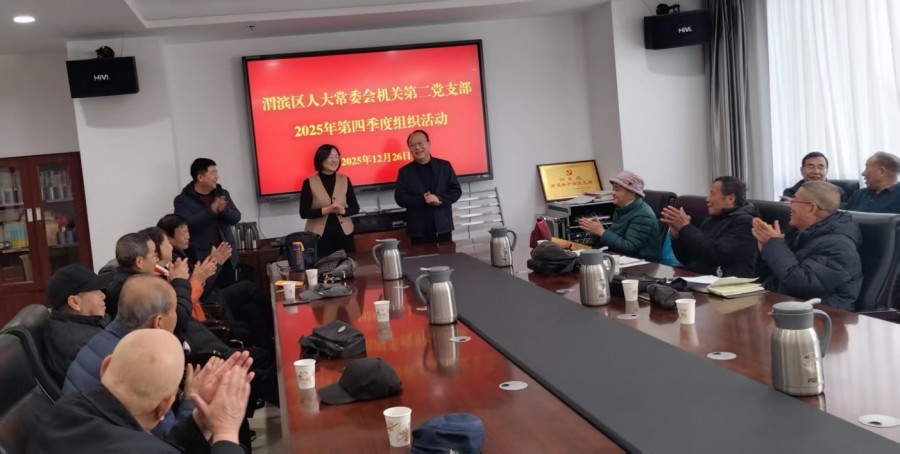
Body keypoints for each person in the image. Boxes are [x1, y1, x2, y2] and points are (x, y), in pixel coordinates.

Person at [36, 329, 249, 453]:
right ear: (164, 406)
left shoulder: (61, 409)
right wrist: (226, 433)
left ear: (106, 366)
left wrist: (200, 420)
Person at [752, 181, 863, 310]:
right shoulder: (798, 233)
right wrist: (766, 250)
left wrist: (775, 247)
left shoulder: (839, 247)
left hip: (824, 314)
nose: (790, 205)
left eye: (794, 200)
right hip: (788, 307)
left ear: (811, 208)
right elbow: (772, 277)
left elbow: (802, 284)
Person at [663, 176, 758, 277]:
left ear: (730, 199)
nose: (707, 199)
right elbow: (687, 259)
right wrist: (677, 236)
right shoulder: (710, 220)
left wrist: (685, 228)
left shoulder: (746, 223)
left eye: (712, 194)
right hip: (697, 278)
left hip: (725, 282)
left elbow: (716, 254)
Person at [174, 158, 241, 288]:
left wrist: (222, 210)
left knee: (231, 293)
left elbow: (236, 218)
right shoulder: (182, 200)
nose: (217, 176)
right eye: (213, 173)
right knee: (210, 295)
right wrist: (211, 211)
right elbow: (186, 225)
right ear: (200, 177)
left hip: (226, 257)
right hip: (202, 261)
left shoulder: (222, 194)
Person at [43, 264, 110, 387]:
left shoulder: (86, 323)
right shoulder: (78, 343)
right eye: (96, 291)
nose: (103, 295)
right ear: (74, 302)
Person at [395, 130, 462, 244]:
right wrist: (422, 199)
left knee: (448, 255)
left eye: (420, 143)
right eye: (412, 145)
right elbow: (400, 198)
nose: (417, 147)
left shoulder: (444, 166)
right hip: (418, 231)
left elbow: (456, 191)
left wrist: (439, 199)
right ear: (409, 149)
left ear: (429, 143)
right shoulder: (405, 172)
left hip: (443, 227)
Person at [578, 170, 661, 262]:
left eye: (617, 190)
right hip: (621, 259)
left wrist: (602, 232)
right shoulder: (622, 208)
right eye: (613, 189)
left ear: (632, 192)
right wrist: (596, 233)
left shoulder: (643, 215)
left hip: (644, 264)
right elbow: (614, 242)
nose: (613, 193)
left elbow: (629, 248)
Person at [299, 144, 360, 256]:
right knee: (322, 265)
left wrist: (344, 211)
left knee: (347, 264)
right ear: (321, 159)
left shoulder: (345, 179)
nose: (335, 160)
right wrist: (327, 210)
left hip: (344, 235)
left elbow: (355, 207)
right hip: (319, 237)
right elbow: (304, 212)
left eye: (337, 157)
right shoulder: (309, 182)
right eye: (331, 157)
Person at [782, 152, 847, 201]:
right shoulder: (791, 192)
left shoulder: (838, 193)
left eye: (821, 167)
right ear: (802, 170)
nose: (816, 171)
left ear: (827, 171)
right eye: (810, 167)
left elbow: (841, 214)